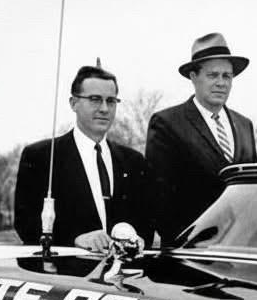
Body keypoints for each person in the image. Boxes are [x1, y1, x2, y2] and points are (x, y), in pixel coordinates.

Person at [14, 65, 153, 251]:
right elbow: (26, 224)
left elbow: (146, 225)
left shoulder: (133, 161)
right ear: (73, 103)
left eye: (111, 101)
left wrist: (138, 240)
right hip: (66, 275)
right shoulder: (42, 156)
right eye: (95, 100)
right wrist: (76, 238)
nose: (104, 109)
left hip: (125, 275)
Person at [145, 32, 257, 244]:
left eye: (227, 76)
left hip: (241, 251)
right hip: (189, 253)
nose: (221, 83)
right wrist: (193, 245)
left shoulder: (244, 126)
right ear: (193, 77)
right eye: (212, 75)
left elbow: (254, 192)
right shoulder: (168, 123)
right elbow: (159, 201)